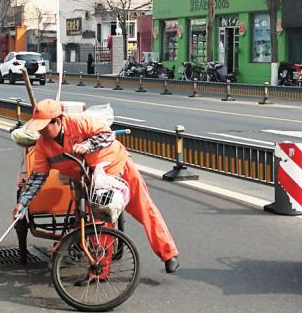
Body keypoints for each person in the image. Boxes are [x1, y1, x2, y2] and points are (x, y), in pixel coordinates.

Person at [15, 99, 180, 273]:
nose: (41, 131)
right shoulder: (42, 145)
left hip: (116, 165)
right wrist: (22, 203)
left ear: (57, 121)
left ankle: (168, 254)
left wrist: (87, 145)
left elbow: (108, 135)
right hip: (90, 179)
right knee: (99, 220)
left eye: (44, 126)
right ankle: (100, 270)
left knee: (144, 208)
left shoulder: (79, 122)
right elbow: (37, 178)